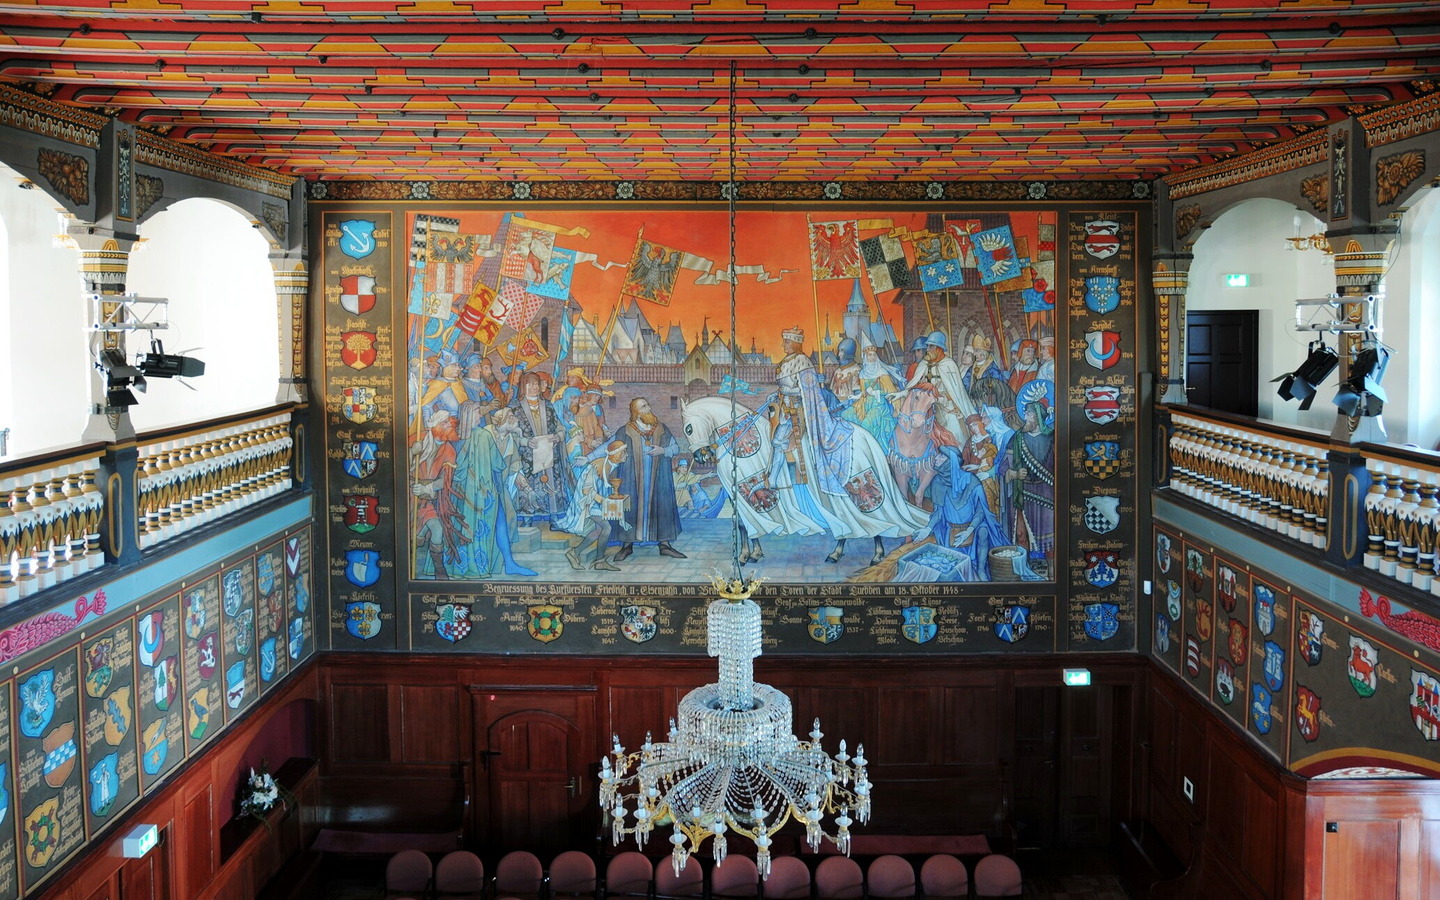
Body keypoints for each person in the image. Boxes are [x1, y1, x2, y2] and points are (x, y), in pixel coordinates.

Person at [454, 407, 536, 578]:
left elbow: (514, 470)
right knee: (489, 522)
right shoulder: (485, 434)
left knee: (509, 518)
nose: (516, 419)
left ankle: (506, 562)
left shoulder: (510, 439)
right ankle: (492, 562)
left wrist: (527, 489)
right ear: (502, 420)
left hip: (497, 486)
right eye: (511, 416)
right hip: (479, 487)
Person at [609, 398, 686, 560]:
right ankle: (627, 545)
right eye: (644, 407)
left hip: (658, 479)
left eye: (648, 405)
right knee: (630, 507)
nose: (649, 408)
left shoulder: (661, 428)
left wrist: (662, 451)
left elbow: (675, 448)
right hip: (632, 479)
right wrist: (588, 458)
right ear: (636, 413)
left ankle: (664, 544)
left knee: (662, 506)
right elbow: (609, 446)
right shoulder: (625, 430)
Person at [894, 330, 978, 445]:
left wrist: (939, 399)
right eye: (928, 346)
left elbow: (956, 393)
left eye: (931, 346)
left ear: (939, 348)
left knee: (955, 432)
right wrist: (901, 393)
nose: (928, 349)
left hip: (946, 408)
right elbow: (913, 386)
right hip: (925, 407)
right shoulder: (924, 364)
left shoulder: (949, 364)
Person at [557, 439, 628, 571]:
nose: (627, 455)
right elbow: (586, 490)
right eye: (624, 452)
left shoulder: (613, 465)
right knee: (606, 528)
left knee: (598, 530)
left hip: (596, 503)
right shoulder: (597, 466)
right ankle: (598, 561)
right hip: (588, 502)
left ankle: (575, 553)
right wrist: (602, 501)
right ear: (617, 454)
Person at [1001, 400, 1055, 566]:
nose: (1025, 418)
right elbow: (1004, 466)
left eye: (1029, 414)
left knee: (1049, 537)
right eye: (1025, 414)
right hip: (1022, 493)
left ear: (1038, 417)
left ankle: (1052, 572)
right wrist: (1014, 473)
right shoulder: (1018, 437)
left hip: (1046, 493)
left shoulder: (1052, 437)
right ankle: (1024, 570)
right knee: (1020, 535)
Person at [411, 408, 463, 579]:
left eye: (450, 422)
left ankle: (439, 571)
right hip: (409, 497)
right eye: (445, 422)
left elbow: (445, 481)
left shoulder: (449, 451)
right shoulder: (417, 439)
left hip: (428, 499)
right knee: (410, 534)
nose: (450, 425)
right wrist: (411, 452)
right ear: (435, 426)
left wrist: (427, 488)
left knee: (437, 528)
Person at [510, 369, 567, 525]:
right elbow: (509, 433)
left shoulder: (548, 405)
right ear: (524, 386)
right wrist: (524, 442)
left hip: (549, 453)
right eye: (531, 384)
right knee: (529, 485)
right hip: (527, 455)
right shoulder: (514, 407)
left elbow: (560, 426)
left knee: (550, 484)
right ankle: (527, 517)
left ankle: (553, 516)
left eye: (537, 384)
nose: (535, 387)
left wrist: (559, 436)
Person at [853, 334, 901, 452]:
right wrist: (857, 395)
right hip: (864, 404)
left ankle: (871, 451)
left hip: (879, 405)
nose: (872, 357)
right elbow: (864, 392)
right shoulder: (862, 373)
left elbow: (890, 391)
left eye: (874, 354)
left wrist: (876, 392)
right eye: (870, 355)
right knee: (846, 416)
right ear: (865, 356)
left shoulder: (881, 372)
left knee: (866, 425)